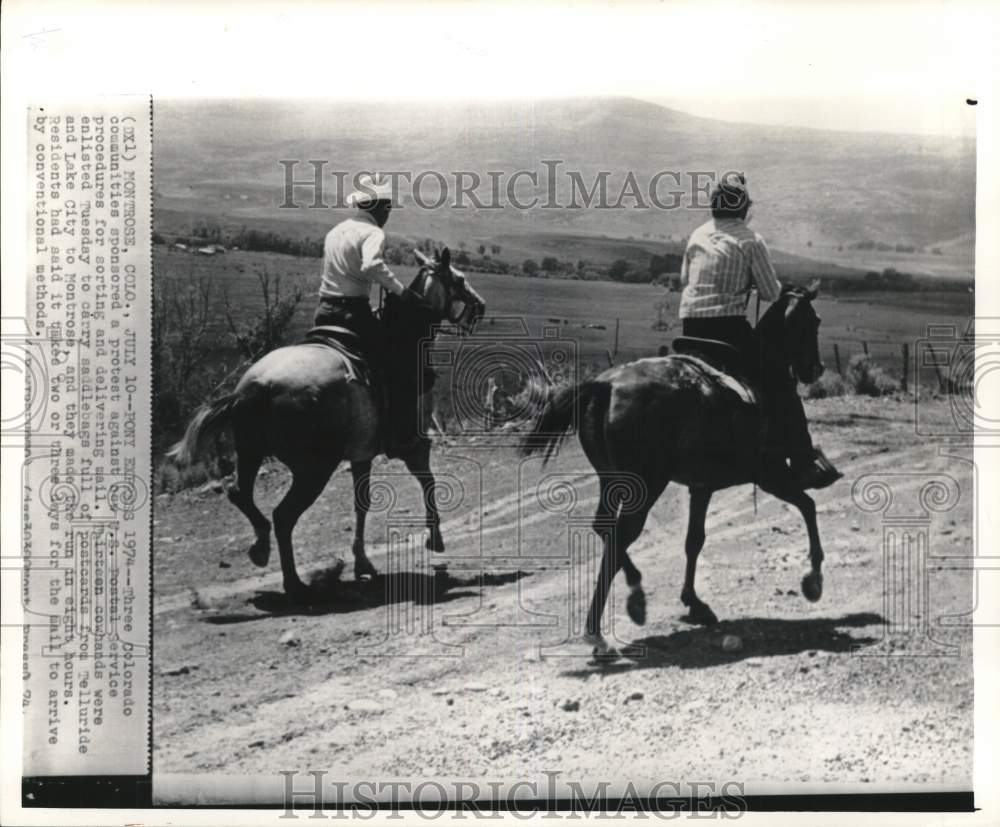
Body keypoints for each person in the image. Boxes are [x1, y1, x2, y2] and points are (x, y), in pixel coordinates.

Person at [679, 173, 841, 489]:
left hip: (689, 329)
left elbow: (686, 279)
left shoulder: (696, 235)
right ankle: (803, 463)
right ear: (744, 209)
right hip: (726, 332)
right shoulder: (751, 240)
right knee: (781, 382)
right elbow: (770, 292)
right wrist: (750, 282)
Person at [314, 174, 430, 454]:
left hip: (323, 313)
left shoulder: (335, 231)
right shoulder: (373, 233)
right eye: (388, 208)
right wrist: (401, 292)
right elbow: (371, 266)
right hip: (352, 315)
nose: (388, 213)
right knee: (397, 364)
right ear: (379, 207)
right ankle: (397, 431)